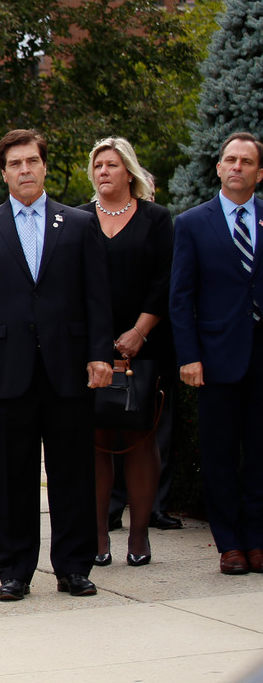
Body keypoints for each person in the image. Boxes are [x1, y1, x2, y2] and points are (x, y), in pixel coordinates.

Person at [0, 129, 112, 601]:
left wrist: (100, 354)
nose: (25, 170)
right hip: (7, 372)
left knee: (72, 473)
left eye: (32, 161)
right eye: (15, 164)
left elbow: (97, 298)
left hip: (69, 368)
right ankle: (14, 571)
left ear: (45, 166)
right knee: (10, 476)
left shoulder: (79, 224)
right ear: (3, 172)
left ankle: (73, 567)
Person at [170, 131, 263, 575]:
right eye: (231, 160)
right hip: (216, 358)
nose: (238, 167)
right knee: (221, 454)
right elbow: (180, 297)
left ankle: (258, 540)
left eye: (247, 161)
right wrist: (189, 356)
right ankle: (229, 544)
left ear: (259, 173)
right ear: (219, 168)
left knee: (261, 454)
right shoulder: (192, 223)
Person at [83, 137, 172, 568]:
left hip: (147, 342)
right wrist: (99, 345)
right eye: (98, 165)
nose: (103, 172)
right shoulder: (78, 219)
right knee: (96, 440)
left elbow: (165, 279)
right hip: (91, 348)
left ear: (129, 171)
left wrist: (139, 331)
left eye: (112, 165)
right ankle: (99, 534)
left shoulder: (156, 219)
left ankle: (139, 534)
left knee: (140, 436)